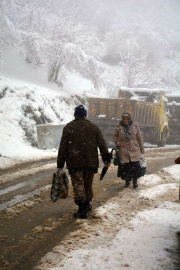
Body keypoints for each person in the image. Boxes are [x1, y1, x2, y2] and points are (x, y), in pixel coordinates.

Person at [57, 105, 111, 219]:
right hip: (90, 162)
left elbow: (63, 147)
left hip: (74, 162)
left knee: (78, 184)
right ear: (85, 115)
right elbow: (102, 144)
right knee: (87, 184)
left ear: (75, 115)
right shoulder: (93, 127)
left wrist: (60, 164)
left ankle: (82, 209)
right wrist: (106, 159)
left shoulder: (68, 127)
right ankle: (87, 203)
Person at [113, 112, 145, 188]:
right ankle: (127, 182)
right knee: (125, 167)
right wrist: (117, 142)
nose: (126, 120)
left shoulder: (135, 125)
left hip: (134, 148)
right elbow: (115, 136)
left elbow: (139, 137)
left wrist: (142, 149)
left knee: (135, 166)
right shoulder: (119, 126)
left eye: (127, 119)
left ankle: (135, 182)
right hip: (123, 149)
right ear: (122, 119)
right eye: (124, 119)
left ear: (130, 119)